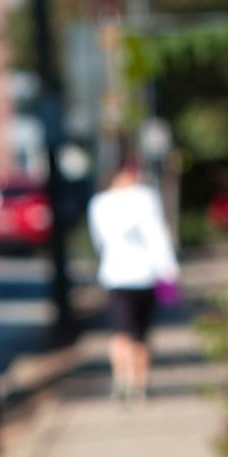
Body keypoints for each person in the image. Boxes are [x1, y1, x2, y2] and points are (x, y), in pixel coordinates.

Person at [87, 157, 179, 403]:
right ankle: (140, 383)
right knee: (138, 334)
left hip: (116, 275)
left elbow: (99, 241)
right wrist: (169, 270)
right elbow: (158, 235)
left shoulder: (100, 203)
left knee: (121, 332)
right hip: (143, 274)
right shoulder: (145, 198)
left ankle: (123, 378)